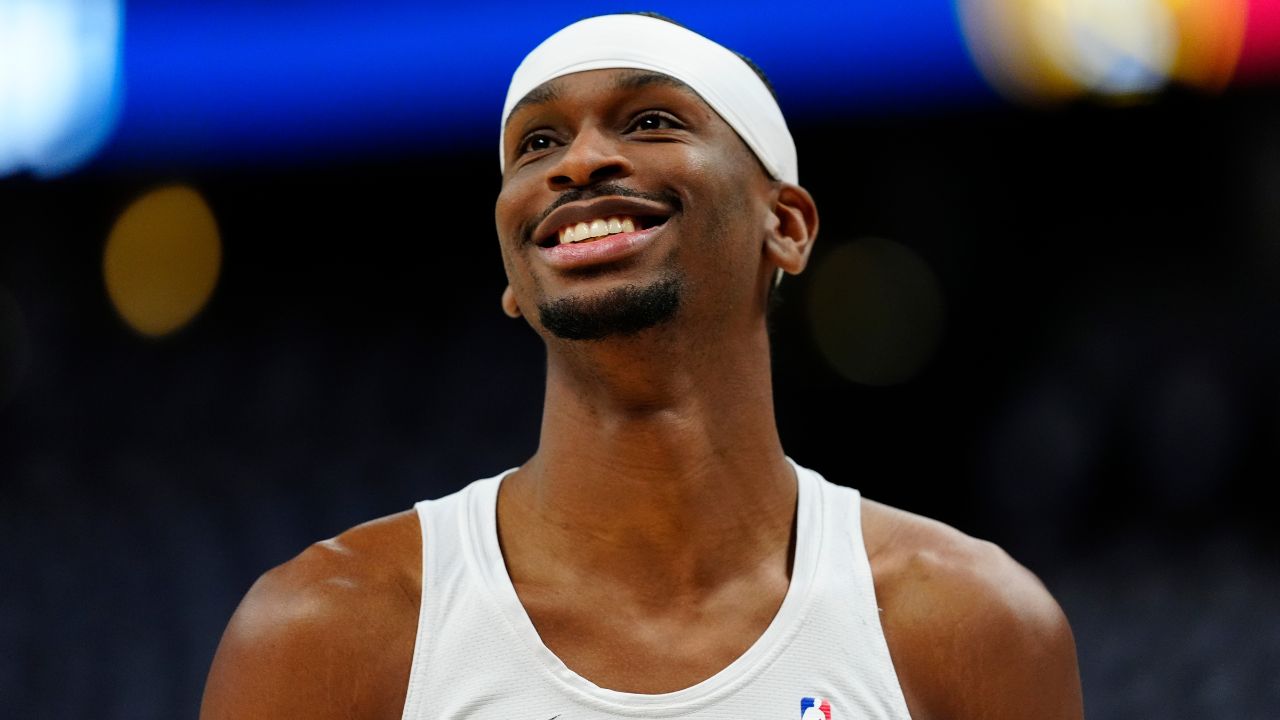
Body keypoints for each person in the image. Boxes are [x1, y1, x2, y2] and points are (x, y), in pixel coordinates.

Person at [200, 13, 1084, 720]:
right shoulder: (326, 630)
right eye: (537, 144)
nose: (580, 161)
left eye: (651, 121)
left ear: (789, 226)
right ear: (514, 272)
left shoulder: (972, 624)